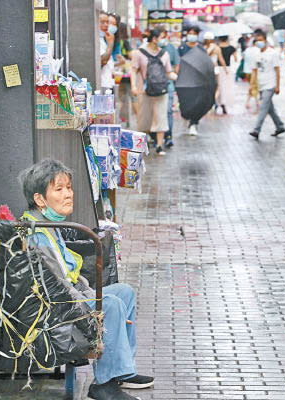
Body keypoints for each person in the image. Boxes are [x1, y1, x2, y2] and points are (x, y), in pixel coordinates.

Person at [18, 159, 154, 400]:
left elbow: (70, 277)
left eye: (68, 188)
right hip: (57, 311)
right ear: (40, 199)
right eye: (59, 189)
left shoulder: (50, 224)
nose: (68, 194)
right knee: (110, 304)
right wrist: (92, 299)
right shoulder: (36, 233)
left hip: (70, 298)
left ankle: (121, 371)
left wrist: (90, 293)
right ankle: (103, 384)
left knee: (123, 292)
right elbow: (57, 289)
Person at [131, 28, 175, 155]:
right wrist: (133, 86)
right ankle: (142, 145)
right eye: (162, 37)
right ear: (155, 38)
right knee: (144, 117)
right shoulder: (139, 53)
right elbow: (134, 70)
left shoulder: (164, 54)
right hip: (144, 91)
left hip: (161, 90)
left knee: (161, 116)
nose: (164, 40)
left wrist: (180, 78)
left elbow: (169, 72)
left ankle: (159, 146)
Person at [248, 29, 285, 140]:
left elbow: (277, 70)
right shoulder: (255, 54)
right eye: (257, 40)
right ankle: (280, 126)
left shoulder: (272, 53)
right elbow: (254, 71)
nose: (259, 42)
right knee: (270, 108)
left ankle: (256, 129)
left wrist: (277, 86)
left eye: (261, 40)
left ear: (265, 40)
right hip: (261, 84)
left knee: (263, 107)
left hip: (270, 84)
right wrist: (251, 86)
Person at [178, 26, 207, 135]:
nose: (192, 35)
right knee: (184, 102)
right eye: (190, 33)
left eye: (194, 33)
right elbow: (177, 63)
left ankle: (193, 124)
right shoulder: (182, 48)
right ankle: (186, 116)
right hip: (184, 79)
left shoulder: (201, 48)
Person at [204, 32, 226, 114]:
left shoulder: (203, 48)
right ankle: (213, 101)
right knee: (217, 87)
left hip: (206, 70)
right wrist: (225, 69)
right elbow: (221, 59)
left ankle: (210, 102)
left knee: (208, 87)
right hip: (215, 69)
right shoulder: (216, 48)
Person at [218, 35, 237, 114]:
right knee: (226, 87)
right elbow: (236, 59)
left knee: (219, 87)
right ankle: (224, 103)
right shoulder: (232, 48)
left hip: (217, 68)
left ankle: (218, 103)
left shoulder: (216, 47)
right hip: (227, 69)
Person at [99, 11, 116, 90]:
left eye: (107, 22)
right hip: (102, 84)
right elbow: (103, 61)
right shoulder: (97, 41)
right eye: (102, 22)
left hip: (108, 83)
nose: (106, 25)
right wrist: (110, 44)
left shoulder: (102, 39)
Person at [243, 37, 260, 111]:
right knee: (254, 87)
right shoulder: (257, 50)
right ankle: (256, 102)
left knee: (252, 86)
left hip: (247, 71)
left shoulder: (247, 50)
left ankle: (252, 101)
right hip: (254, 71)